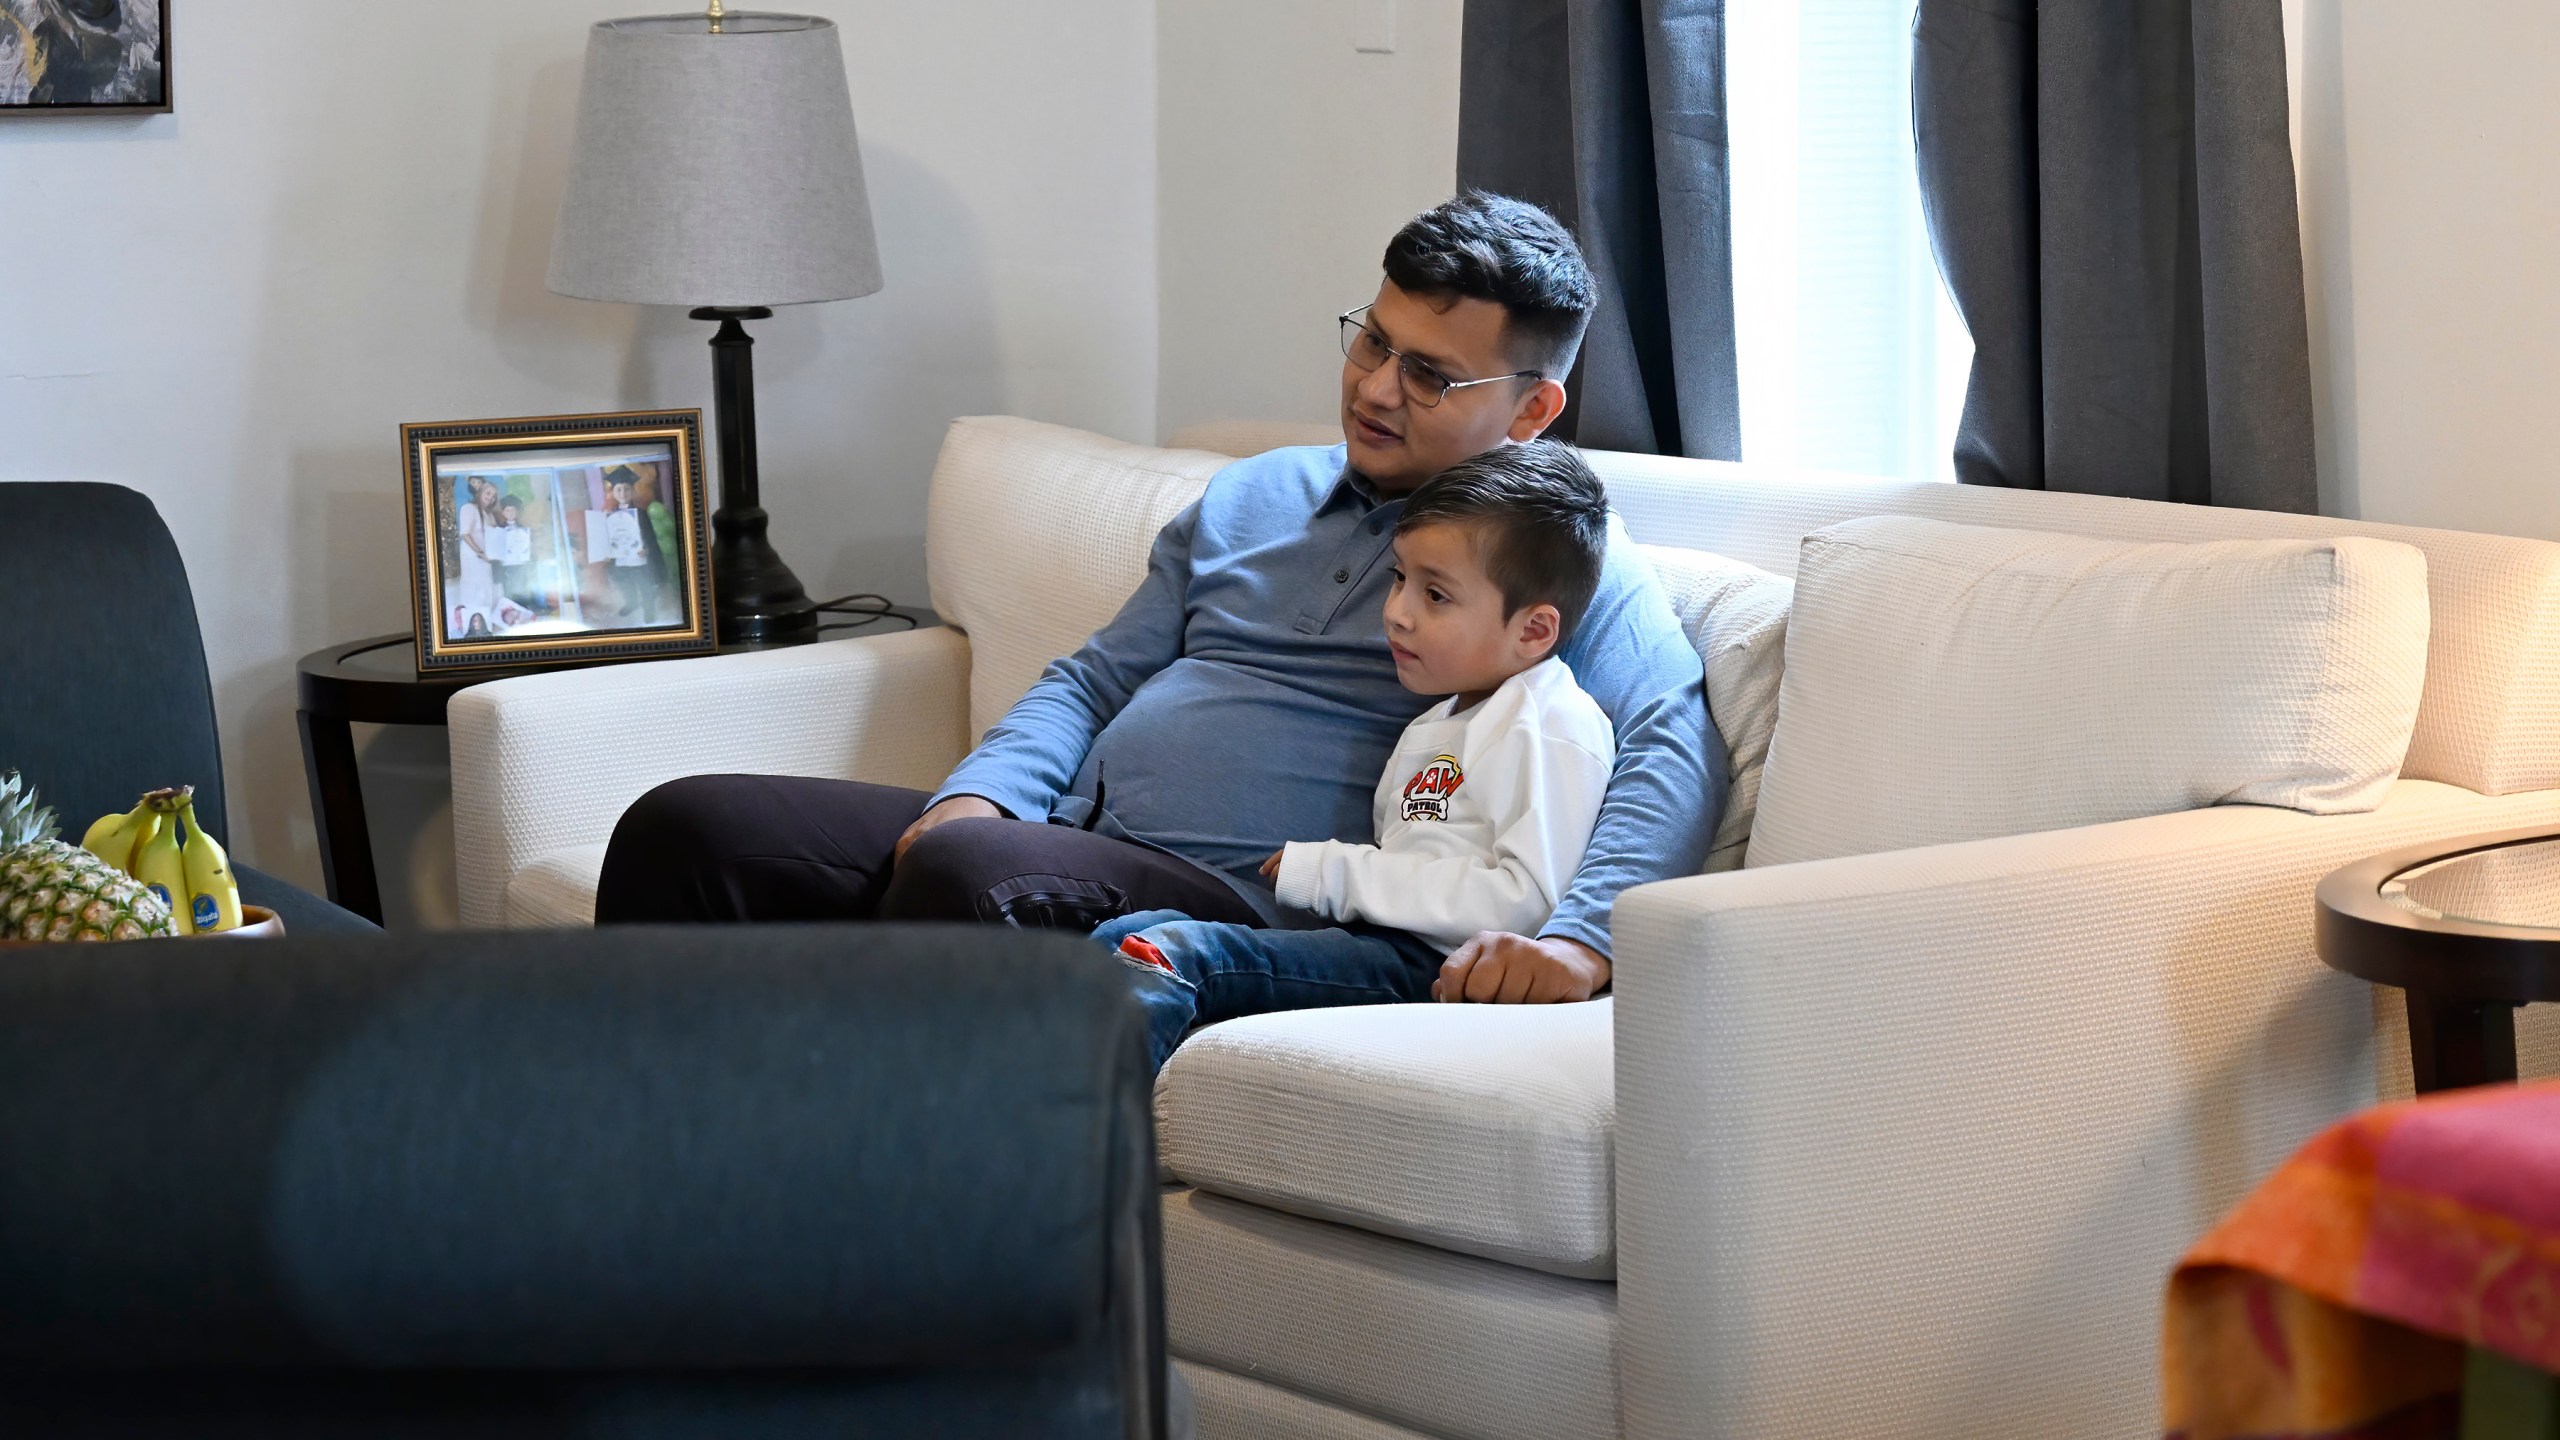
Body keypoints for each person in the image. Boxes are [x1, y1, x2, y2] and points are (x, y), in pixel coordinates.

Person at [594, 191, 1724, 1009]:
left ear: (1531, 412)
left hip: (1238, 907)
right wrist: (981, 794)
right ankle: (651, 1232)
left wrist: (1581, 941)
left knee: (970, 877)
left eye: (1430, 375)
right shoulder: (1252, 496)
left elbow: (1672, 744)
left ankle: (885, 1258)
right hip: (1055, 842)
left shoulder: (1559, 563)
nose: (1377, 388)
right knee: (687, 830)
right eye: (1373, 341)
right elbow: (1093, 678)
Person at [1094, 440, 1615, 1068]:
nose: (1395, 613)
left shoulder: (1548, 720)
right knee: (1117, 942)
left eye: (1436, 596)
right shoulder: (1440, 717)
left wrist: (1336, 874)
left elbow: (1525, 900)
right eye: (1400, 579)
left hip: (1432, 970)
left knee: (1174, 954)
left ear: (1534, 629)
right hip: (1374, 948)